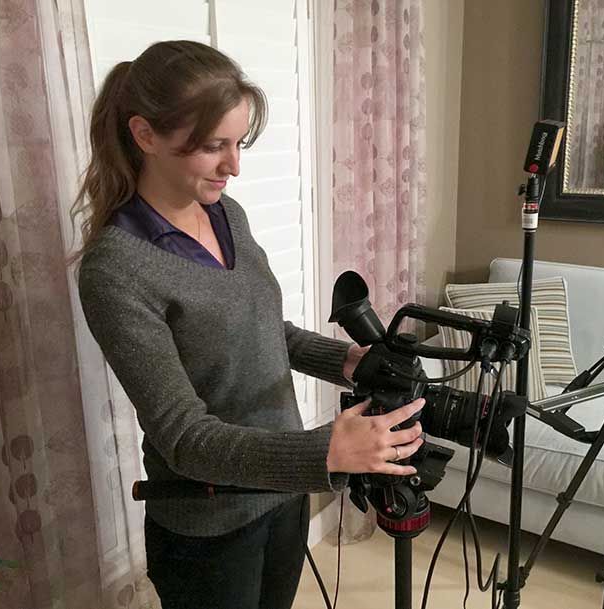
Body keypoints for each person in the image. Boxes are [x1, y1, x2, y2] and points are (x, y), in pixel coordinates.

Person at [72, 40, 425, 609]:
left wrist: (344, 361)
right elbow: (185, 438)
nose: (234, 165)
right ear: (145, 136)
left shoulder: (225, 214)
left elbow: (267, 331)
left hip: (282, 493)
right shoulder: (116, 269)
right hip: (208, 528)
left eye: (238, 143)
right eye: (214, 147)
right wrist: (325, 454)